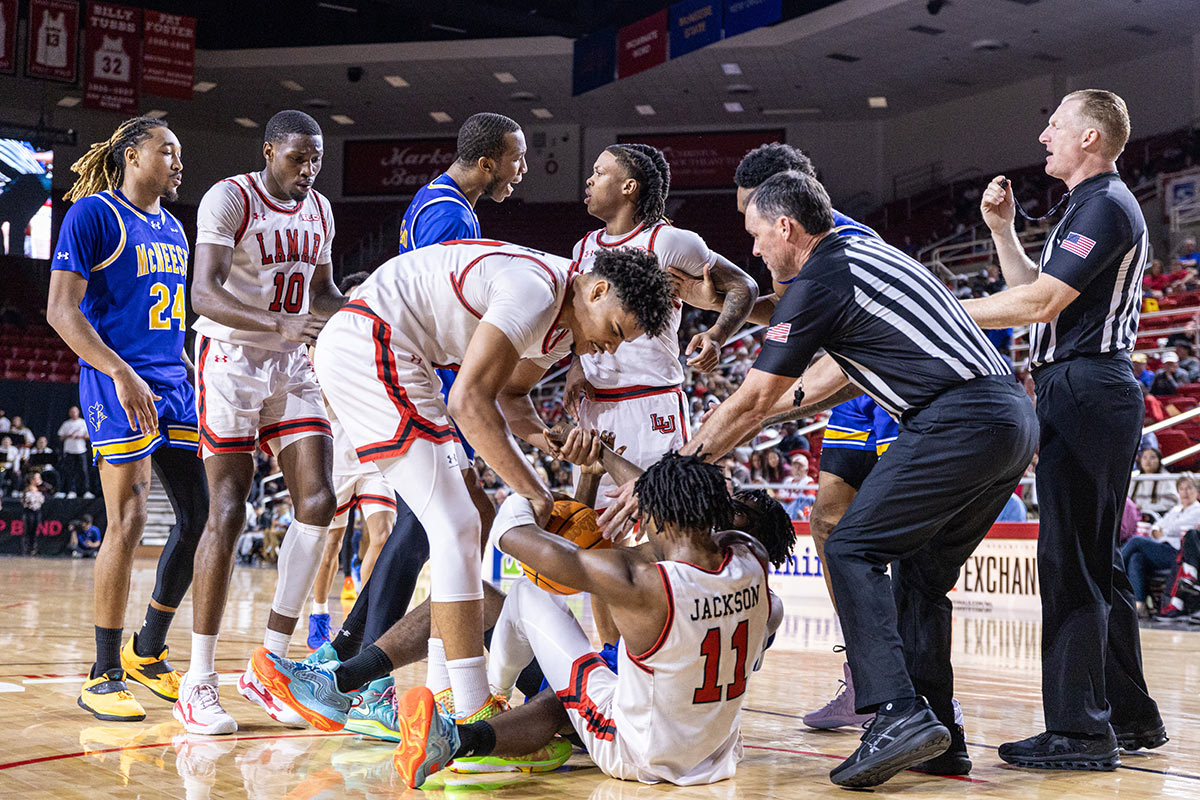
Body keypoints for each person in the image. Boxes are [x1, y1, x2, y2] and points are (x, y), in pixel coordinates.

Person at [676, 170, 1037, 787]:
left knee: (850, 544)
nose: (754, 249)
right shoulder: (861, 251)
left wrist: (676, 470)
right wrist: (730, 315)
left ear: (786, 227)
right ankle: (936, 731)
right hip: (1009, 419)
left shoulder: (821, 275)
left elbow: (756, 399)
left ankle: (894, 711)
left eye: (757, 234)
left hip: (957, 419)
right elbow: (812, 385)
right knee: (921, 577)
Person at [298, 240, 671, 747]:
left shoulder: (563, 327)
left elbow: (509, 397)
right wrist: (536, 492)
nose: (609, 348)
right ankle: (467, 707)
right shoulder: (535, 290)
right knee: (457, 524)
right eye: (615, 331)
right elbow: (469, 401)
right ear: (597, 290)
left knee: (470, 514)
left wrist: (551, 440)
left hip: (403, 355)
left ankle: (432, 692)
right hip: (374, 342)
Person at [962, 89, 1165, 768]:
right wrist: (1001, 231)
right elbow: (1041, 301)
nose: (1044, 133)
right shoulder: (1085, 207)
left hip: (1087, 387)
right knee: (1094, 565)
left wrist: (941, 307)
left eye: (1056, 124)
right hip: (1082, 387)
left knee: (1070, 565)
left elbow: (1041, 301)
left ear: (1090, 139)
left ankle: (1079, 733)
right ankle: (1130, 717)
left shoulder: (1106, 205)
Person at [390, 453, 776, 788]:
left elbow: (511, 535)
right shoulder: (752, 558)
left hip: (635, 751)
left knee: (529, 593)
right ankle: (464, 732)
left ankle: (484, 704)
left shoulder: (639, 583)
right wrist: (604, 456)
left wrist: (531, 492)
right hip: (717, 754)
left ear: (658, 515)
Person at [324, 113, 529, 682]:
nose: (523, 170)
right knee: (433, 524)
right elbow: (446, 304)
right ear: (488, 161)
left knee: (430, 524)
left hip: (418, 375)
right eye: (517, 158)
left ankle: (346, 655)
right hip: (425, 382)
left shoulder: (436, 201)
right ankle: (366, 673)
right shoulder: (447, 213)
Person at [175, 109, 343, 735]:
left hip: (292, 362)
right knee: (227, 509)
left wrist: (356, 311)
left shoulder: (320, 210)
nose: (308, 169)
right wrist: (278, 324)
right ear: (270, 150)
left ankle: (270, 660)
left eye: (317, 159)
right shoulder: (230, 198)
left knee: (320, 501)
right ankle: (198, 681)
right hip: (229, 360)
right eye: (298, 158)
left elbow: (321, 292)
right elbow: (204, 291)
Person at [46, 116, 209, 722]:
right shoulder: (93, 215)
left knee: (203, 516)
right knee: (131, 517)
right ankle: (103, 672)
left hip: (172, 380)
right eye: (167, 149)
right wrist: (119, 371)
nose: (177, 160)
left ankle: (149, 649)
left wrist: (191, 372)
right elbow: (61, 311)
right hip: (118, 379)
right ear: (131, 156)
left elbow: (167, 317)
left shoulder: (173, 225)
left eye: (180, 150)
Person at [565, 144, 758, 549]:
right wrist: (576, 367)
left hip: (652, 405)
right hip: (596, 408)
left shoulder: (669, 241)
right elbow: (577, 323)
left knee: (667, 533)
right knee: (598, 541)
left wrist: (717, 334)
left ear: (629, 186)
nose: (589, 179)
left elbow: (745, 285)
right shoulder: (583, 248)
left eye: (599, 172)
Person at [305, 271, 399, 651]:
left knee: (383, 533)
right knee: (330, 547)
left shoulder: (385, 338)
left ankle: (359, 620)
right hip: (338, 453)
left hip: (374, 453)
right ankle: (318, 614)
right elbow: (318, 401)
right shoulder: (325, 343)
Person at [1121, 474, 1200, 613]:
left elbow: (1177, 527)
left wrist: (1164, 530)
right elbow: (1156, 527)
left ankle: (1111, 566)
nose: (1185, 492)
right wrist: (1161, 530)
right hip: (1163, 548)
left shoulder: (1197, 510)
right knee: (1136, 558)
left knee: (1136, 541)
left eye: (1189, 488)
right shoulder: (1175, 510)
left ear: (1197, 491)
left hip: (1177, 553)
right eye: (1181, 488)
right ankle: (1139, 604)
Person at [1129, 447, 1177, 517]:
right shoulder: (1135, 478)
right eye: (1144, 457)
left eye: (1152, 457)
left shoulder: (1166, 478)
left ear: (1159, 460)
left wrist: (1145, 508)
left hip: (1158, 515)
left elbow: (1170, 502)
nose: (1148, 461)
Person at [57, 405, 92, 498]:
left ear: (78, 412)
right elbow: (61, 437)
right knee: (70, 472)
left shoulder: (83, 422)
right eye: (72, 412)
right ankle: (72, 491)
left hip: (81, 450)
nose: (73, 414)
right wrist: (69, 435)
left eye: (75, 412)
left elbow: (89, 436)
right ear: (69, 413)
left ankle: (86, 491)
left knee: (83, 471)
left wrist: (80, 436)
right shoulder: (66, 424)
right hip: (69, 451)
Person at [21, 472, 45, 556]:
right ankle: (26, 549)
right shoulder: (27, 489)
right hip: (29, 511)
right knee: (28, 529)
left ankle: (33, 548)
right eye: (37, 478)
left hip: (37, 511)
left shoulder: (41, 489)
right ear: (32, 480)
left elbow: (41, 500)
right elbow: (27, 501)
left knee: (35, 530)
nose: (39, 480)